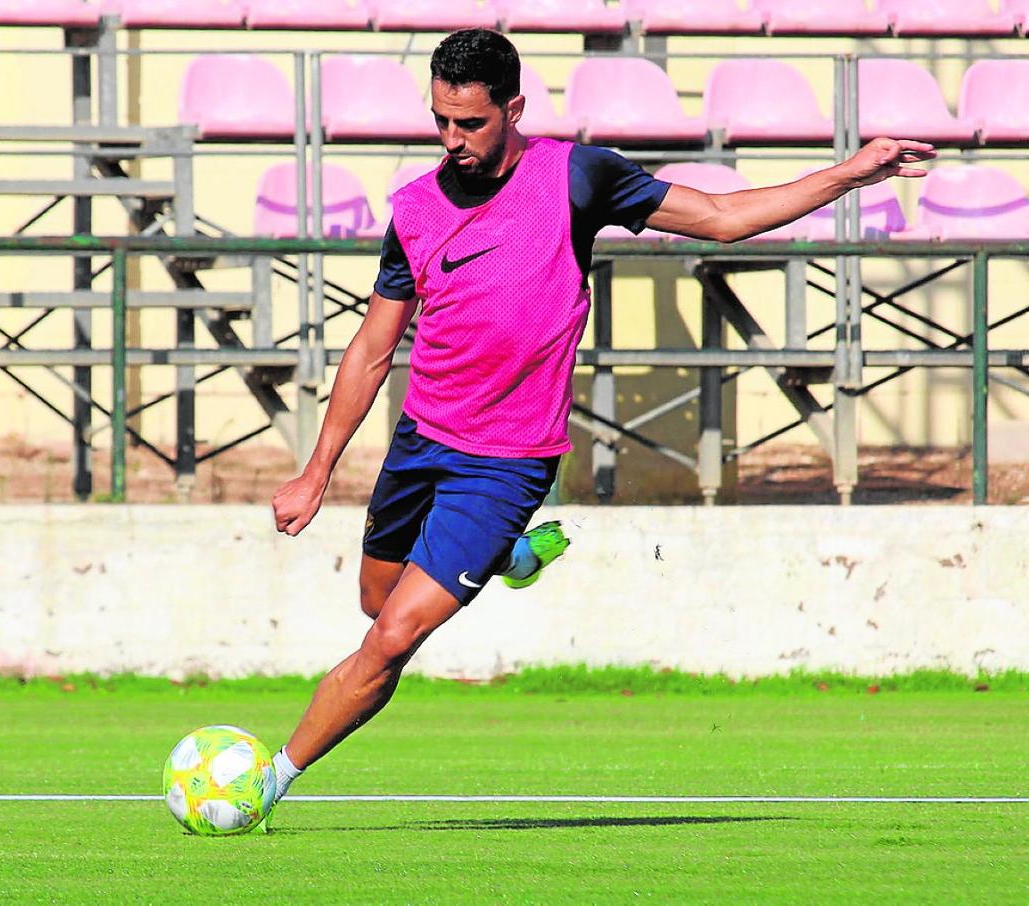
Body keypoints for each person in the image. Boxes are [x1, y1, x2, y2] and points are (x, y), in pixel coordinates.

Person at [267, 28, 933, 816]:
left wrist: (852, 174)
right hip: (421, 441)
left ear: (513, 109)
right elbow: (374, 346)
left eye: (470, 124)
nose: (453, 141)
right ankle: (510, 556)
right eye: (440, 121)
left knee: (392, 639)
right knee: (377, 600)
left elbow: (721, 217)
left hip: (506, 463)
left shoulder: (577, 177)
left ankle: (267, 780)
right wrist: (317, 470)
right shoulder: (414, 209)